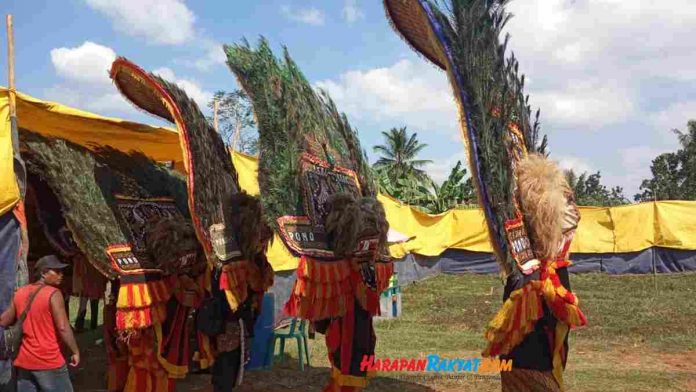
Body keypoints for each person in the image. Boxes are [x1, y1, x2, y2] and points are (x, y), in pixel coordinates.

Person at [0, 255, 80, 392]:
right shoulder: (54, 294)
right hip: (49, 361)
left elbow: (4, 320)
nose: (61, 275)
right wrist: (75, 351)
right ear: (43, 273)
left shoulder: (20, 292)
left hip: (24, 362)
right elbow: (63, 327)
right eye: (56, 271)